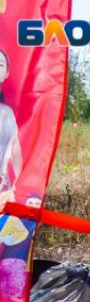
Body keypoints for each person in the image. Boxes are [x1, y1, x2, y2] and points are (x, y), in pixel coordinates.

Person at [0, 49, 23, 209]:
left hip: (3, 193)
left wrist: (13, 183)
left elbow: (17, 153)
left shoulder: (8, 113)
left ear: (7, 73)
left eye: (0, 65)